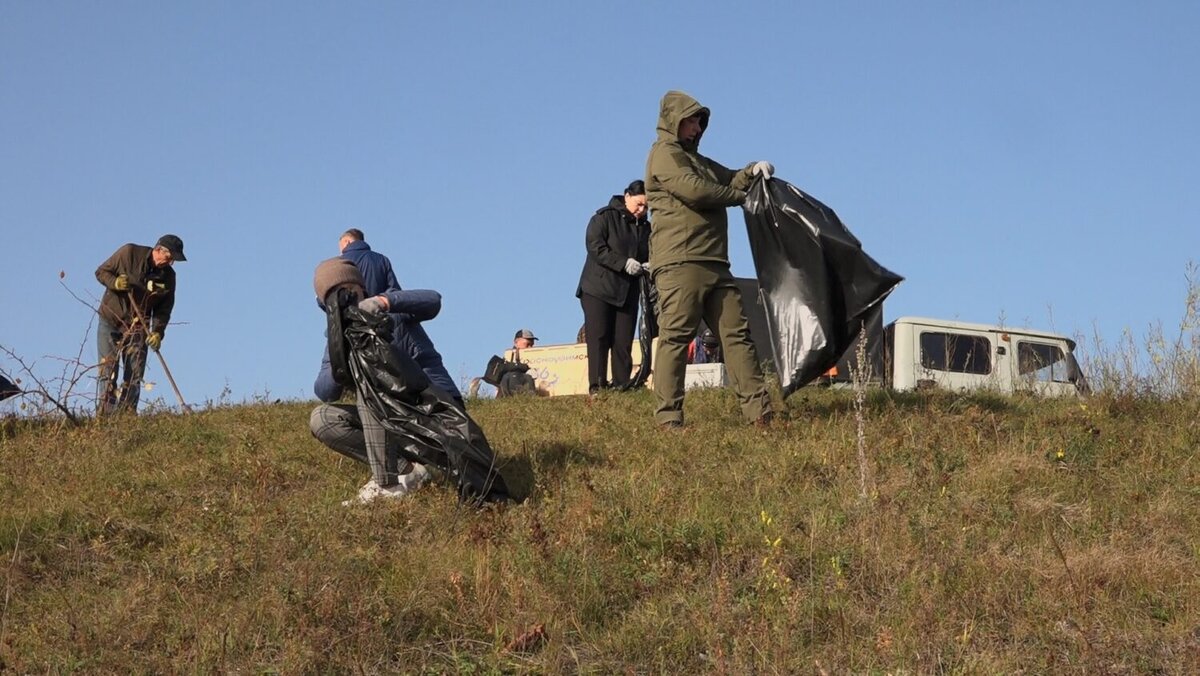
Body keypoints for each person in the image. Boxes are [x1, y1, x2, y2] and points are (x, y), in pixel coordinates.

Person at [644, 90, 776, 428]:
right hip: (679, 261)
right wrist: (739, 196)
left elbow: (728, 177)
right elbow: (694, 189)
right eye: (689, 120)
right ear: (673, 121)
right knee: (675, 338)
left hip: (715, 262)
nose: (696, 127)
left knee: (737, 336)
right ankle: (669, 418)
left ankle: (760, 413)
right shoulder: (663, 154)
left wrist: (750, 171)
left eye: (699, 121)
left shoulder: (699, 160)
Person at [309, 258, 432, 505]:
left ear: (363, 288)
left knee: (369, 386)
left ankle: (387, 485)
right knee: (321, 418)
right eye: (336, 295)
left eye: (351, 291)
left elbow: (432, 300)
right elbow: (325, 392)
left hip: (424, 416)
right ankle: (405, 468)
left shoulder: (392, 315)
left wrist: (383, 303)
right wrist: (340, 353)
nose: (347, 299)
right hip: (386, 422)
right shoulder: (335, 340)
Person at [337, 228, 462, 403]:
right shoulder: (381, 260)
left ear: (347, 242)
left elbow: (326, 388)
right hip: (441, 392)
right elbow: (395, 287)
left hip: (396, 397)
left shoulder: (339, 265)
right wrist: (389, 301)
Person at [93, 234, 187, 415]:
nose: (170, 263)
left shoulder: (168, 277)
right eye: (169, 258)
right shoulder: (129, 254)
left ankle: (126, 417)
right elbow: (101, 272)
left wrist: (157, 332)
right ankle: (105, 417)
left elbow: (163, 310)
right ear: (158, 250)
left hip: (138, 327)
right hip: (111, 320)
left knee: (134, 375)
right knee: (108, 370)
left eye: (173, 260)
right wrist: (115, 283)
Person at [575, 180, 650, 393]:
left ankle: (622, 385)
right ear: (626, 197)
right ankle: (597, 386)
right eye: (638, 204)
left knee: (623, 340)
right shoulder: (604, 217)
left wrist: (649, 264)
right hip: (598, 289)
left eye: (646, 207)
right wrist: (623, 263)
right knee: (599, 338)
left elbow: (651, 251)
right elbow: (595, 246)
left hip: (627, 292)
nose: (641, 210)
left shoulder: (646, 227)